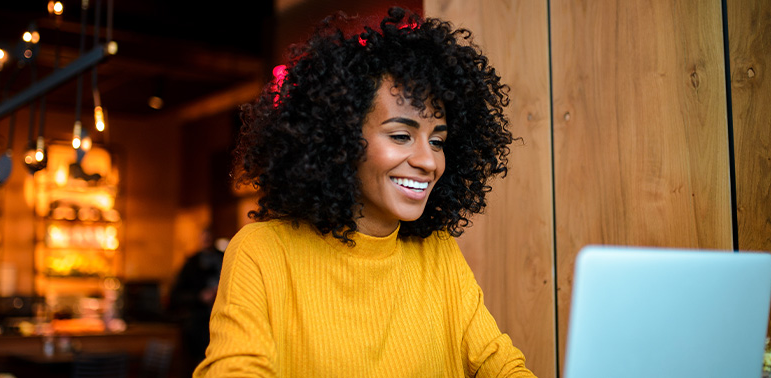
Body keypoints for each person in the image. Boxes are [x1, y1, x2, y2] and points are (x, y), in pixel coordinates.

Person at [196, 7, 536, 378]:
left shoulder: (437, 251)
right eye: (401, 136)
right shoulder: (262, 251)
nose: (428, 161)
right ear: (338, 139)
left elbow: (499, 364)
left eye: (437, 141)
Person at [170, 227, 224, 374]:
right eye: (204, 238)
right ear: (200, 239)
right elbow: (176, 295)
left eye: (209, 237)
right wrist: (199, 297)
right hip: (198, 326)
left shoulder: (224, 258)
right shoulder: (191, 263)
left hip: (222, 322)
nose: (207, 241)